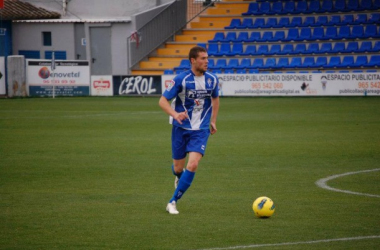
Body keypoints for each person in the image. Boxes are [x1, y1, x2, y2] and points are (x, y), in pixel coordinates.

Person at [158, 46, 220, 215]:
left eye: (207, 58)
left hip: (200, 129)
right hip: (180, 128)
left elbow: (215, 98)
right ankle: (179, 175)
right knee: (178, 168)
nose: (207, 61)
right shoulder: (181, 79)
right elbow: (163, 101)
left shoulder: (212, 79)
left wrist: (213, 120)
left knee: (192, 164)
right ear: (193, 61)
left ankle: (172, 202)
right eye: (203, 58)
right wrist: (175, 114)